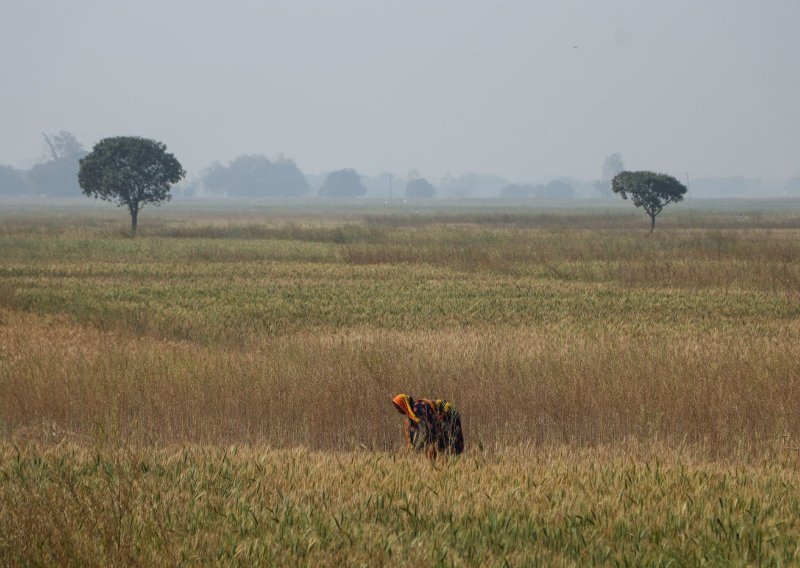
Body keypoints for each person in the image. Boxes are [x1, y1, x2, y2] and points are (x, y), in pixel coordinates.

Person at [392, 393, 464, 457]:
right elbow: (416, 432)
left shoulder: (417, 409)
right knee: (441, 447)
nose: (398, 411)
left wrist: (421, 447)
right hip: (443, 417)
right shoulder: (412, 414)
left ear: (403, 405)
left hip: (449, 414)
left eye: (399, 408)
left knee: (450, 442)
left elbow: (429, 428)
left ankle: (453, 461)